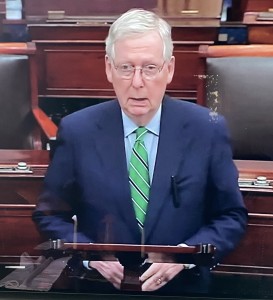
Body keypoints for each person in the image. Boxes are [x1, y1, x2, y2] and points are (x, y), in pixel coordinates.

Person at [32, 8, 247, 295]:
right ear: (109, 68)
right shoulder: (77, 131)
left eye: (149, 68)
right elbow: (50, 216)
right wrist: (89, 256)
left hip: (183, 288)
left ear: (169, 69)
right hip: (98, 288)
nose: (137, 82)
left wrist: (185, 256)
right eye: (125, 67)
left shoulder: (207, 130)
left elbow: (231, 215)